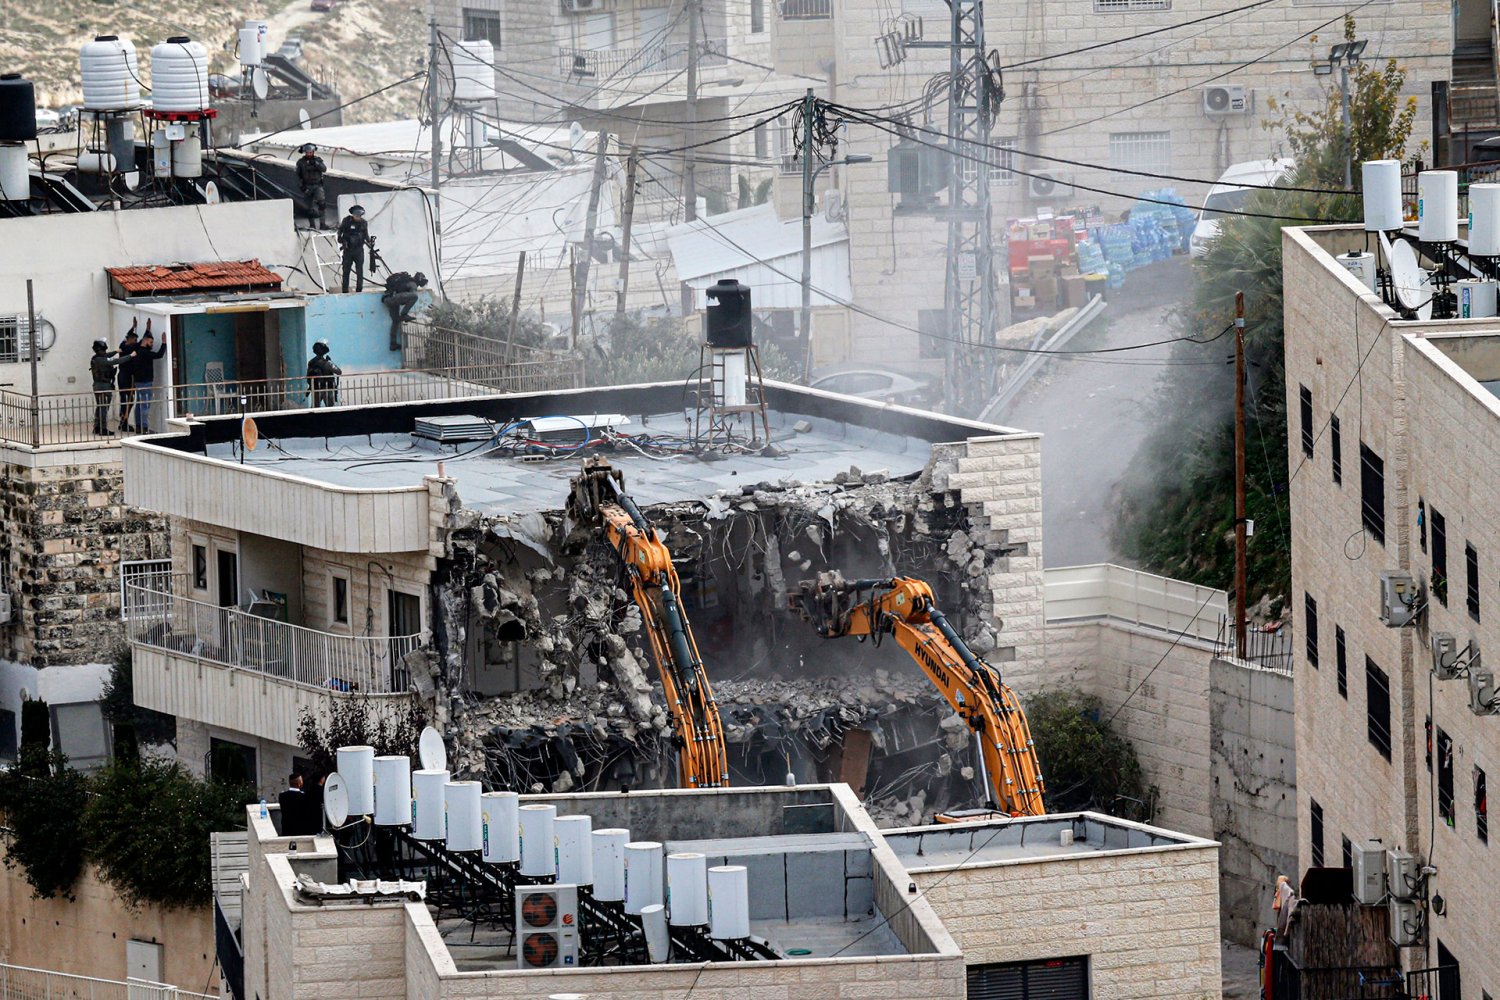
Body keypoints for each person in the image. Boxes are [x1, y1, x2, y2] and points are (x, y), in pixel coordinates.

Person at [126, 322, 167, 432]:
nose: (152, 344)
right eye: (151, 342)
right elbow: (159, 355)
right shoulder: (145, 353)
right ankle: (144, 427)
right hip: (145, 382)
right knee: (145, 405)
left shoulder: (138, 351)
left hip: (138, 382)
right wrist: (164, 343)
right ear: (145, 341)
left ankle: (138, 426)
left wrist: (148, 329)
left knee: (139, 404)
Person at [89, 339, 131, 436]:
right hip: (104, 386)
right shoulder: (101, 360)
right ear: (100, 350)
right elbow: (116, 360)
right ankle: (103, 429)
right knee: (104, 408)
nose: (105, 352)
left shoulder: (96, 358)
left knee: (100, 407)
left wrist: (116, 351)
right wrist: (130, 356)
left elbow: (107, 356)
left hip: (98, 385)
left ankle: (97, 427)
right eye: (104, 350)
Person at [380, 271, 428, 351]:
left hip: (388, 298)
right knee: (415, 297)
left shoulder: (406, 281)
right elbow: (412, 295)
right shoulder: (413, 284)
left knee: (396, 321)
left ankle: (393, 344)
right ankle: (404, 314)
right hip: (393, 298)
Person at [336, 204, 369, 293]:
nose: (358, 217)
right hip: (348, 249)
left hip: (358, 249)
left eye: (359, 216)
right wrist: (340, 239)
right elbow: (340, 230)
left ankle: (359, 290)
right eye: (357, 216)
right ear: (353, 215)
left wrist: (370, 242)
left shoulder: (363, 223)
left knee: (359, 271)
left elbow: (366, 235)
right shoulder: (346, 221)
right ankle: (345, 290)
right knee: (346, 271)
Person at [295, 143, 327, 229]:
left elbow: (324, 169)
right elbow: (298, 176)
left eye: (310, 152)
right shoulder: (301, 162)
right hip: (307, 186)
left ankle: (322, 224)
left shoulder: (318, 160)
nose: (309, 154)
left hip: (317, 185)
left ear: (313, 152)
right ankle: (312, 225)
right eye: (307, 152)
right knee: (309, 207)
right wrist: (302, 187)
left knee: (322, 204)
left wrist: (316, 164)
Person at [117, 321, 139, 432]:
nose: (136, 342)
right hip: (128, 377)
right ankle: (124, 421)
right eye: (134, 340)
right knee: (129, 399)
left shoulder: (122, 345)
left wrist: (133, 327)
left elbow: (128, 335)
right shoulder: (131, 348)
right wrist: (147, 330)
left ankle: (123, 420)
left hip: (121, 376)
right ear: (131, 340)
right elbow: (140, 343)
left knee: (124, 399)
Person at [307, 340, 342, 407]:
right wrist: (330, 361)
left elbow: (308, 376)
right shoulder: (327, 363)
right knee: (330, 409)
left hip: (315, 388)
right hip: (327, 388)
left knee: (314, 408)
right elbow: (339, 371)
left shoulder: (311, 362)